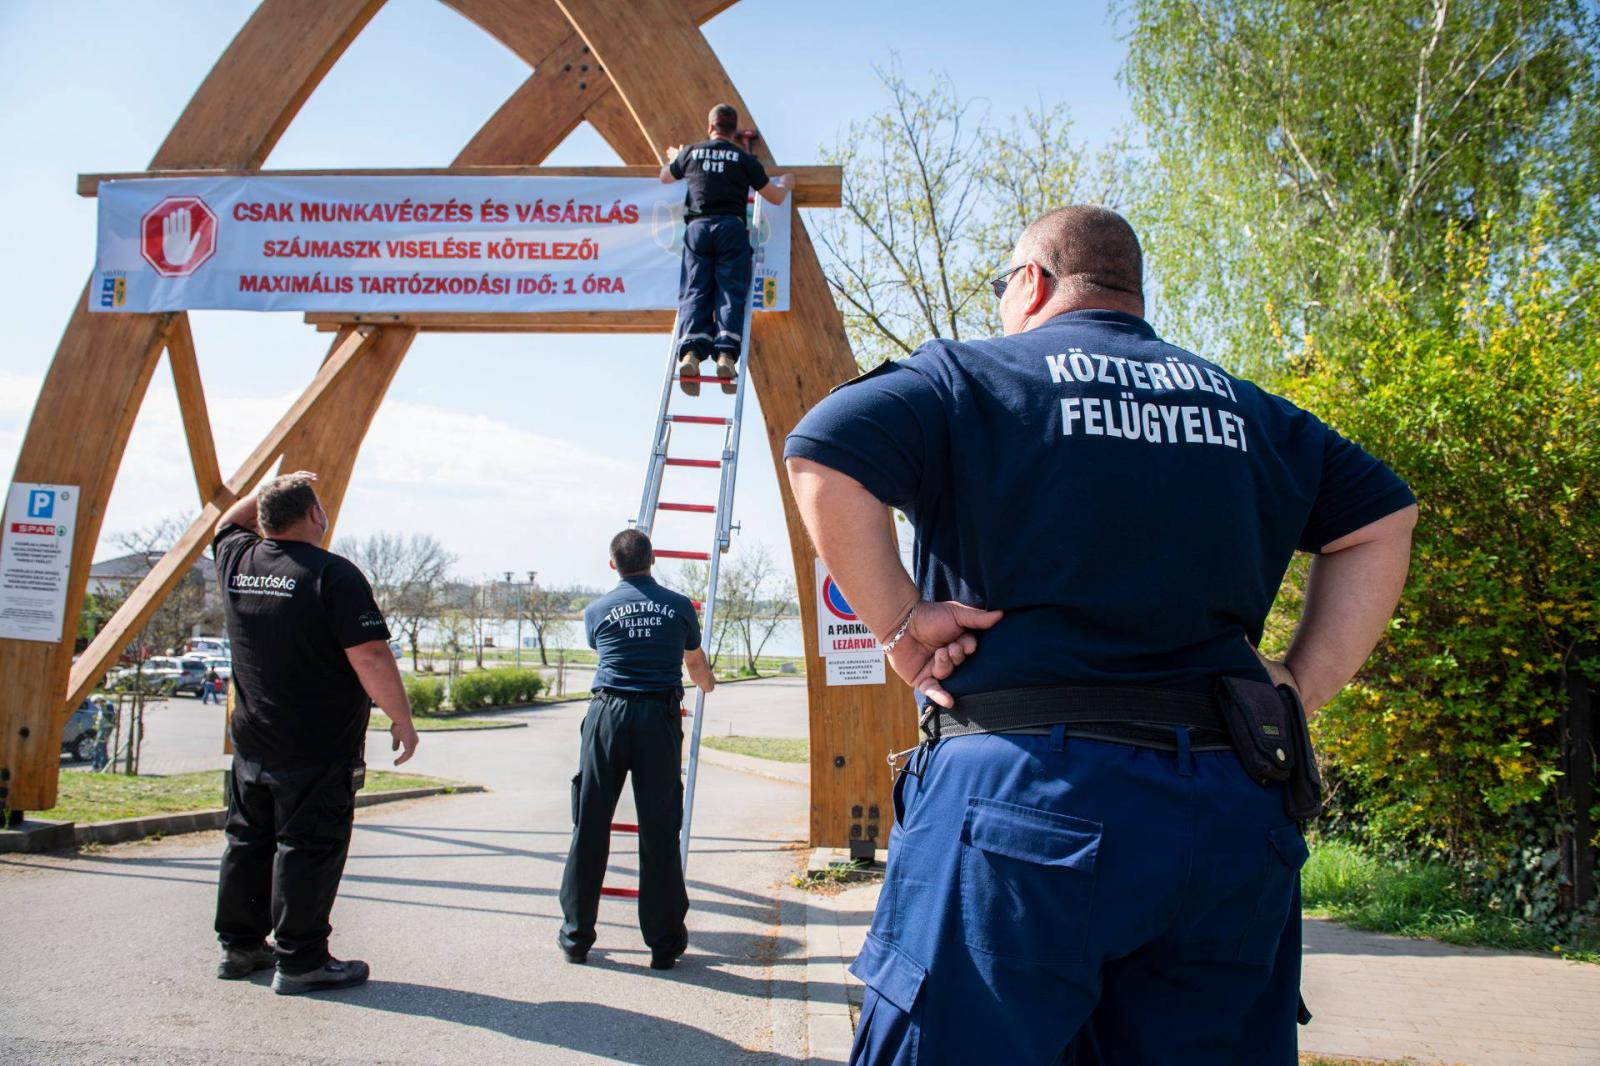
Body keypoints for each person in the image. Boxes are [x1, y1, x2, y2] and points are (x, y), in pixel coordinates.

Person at [783, 206, 1418, 1065]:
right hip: (1227, 812)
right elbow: (1383, 516)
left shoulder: (971, 378)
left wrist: (900, 623)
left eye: (1002, 287)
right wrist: (1300, 684)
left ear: (1034, 283)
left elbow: (823, 449)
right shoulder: (1250, 410)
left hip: (1021, 806)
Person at [211, 471, 420, 995]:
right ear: (313, 516)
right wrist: (401, 717)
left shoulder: (238, 560)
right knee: (308, 846)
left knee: (248, 840)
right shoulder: (334, 575)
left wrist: (271, 487)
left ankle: (240, 947)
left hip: (253, 739)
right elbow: (370, 656)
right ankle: (301, 959)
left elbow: (223, 523)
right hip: (317, 744)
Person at [558, 529, 715, 969]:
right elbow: (695, 663)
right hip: (658, 720)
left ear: (614, 564)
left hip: (607, 715)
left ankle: (576, 937)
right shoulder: (680, 606)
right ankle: (664, 943)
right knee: (659, 829)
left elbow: (602, 649)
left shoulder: (596, 611)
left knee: (590, 823)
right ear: (653, 559)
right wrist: (707, 684)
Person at [660, 103, 791, 396]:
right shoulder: (742, 159)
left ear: (710, 127)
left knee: (696, 289)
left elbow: (665, 176)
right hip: (731, 230)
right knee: (730, 291)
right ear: (733, 131)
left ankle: (691, 354)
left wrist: (675, 157)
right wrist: (787, 184)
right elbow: (775, 197)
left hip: (698, 229)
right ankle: (726, 355)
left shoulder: (692, 153)